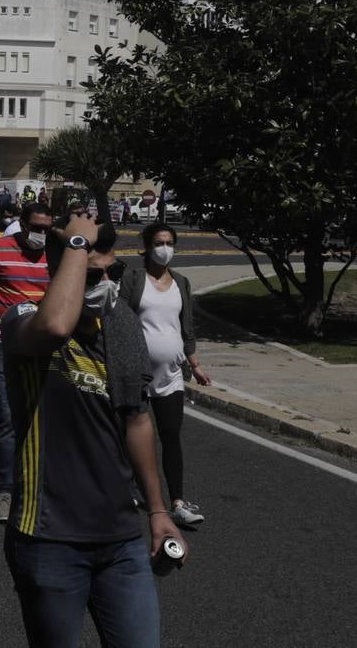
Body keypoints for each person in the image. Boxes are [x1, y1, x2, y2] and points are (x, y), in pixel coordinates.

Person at [1, 214, 186, 648]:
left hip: (120, 540)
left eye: (113, 272)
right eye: (91, 274)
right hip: (49, 538)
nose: (106, 283)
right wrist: (76, 243)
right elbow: (55, 325)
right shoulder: (23, 319)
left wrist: (158, 512)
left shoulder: (120, 328)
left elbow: (137, 420)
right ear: (63, 270)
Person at [123, 223, 211, 528]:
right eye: (159, 242)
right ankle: (129, 488)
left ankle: (177, 503)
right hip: (136, 373)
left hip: (171, 374)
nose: (165, 248)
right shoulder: (133, 279)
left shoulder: (181, 283)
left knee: (171, 436)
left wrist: (196, 365)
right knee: (132, 435)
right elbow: (120, 320)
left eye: (170, 242)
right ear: (146, 246)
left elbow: (186, 328)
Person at [0, 202, 53, 524]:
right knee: (7, 416)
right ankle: (5, 489)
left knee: (40, 417)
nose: (41, 234)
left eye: (47, 229)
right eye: (36, 227)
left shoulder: (56, 254)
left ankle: (35, 485)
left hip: (43, 344)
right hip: (0, 342)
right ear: (22, 225)